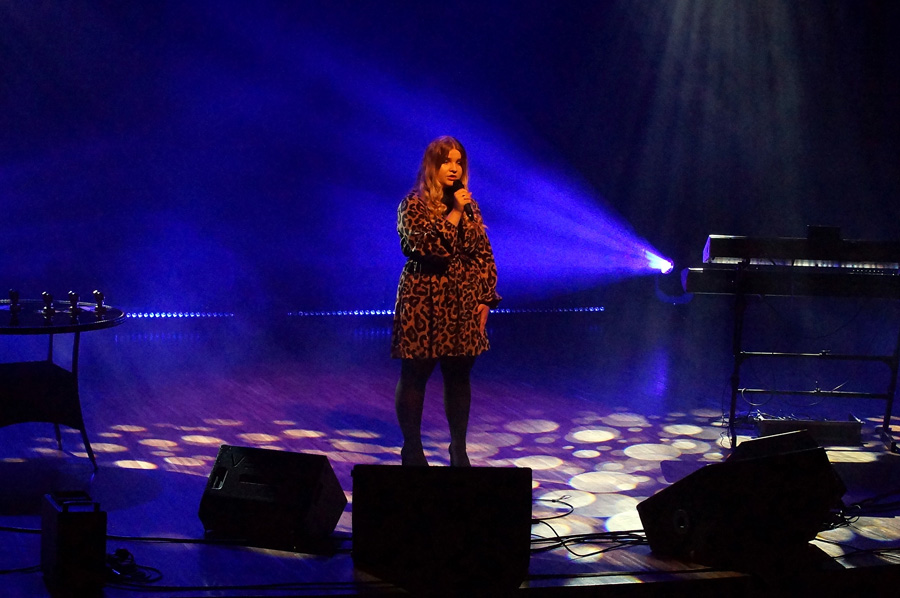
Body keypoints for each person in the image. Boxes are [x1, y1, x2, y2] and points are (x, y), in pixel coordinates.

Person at [390, 136, 501, 467]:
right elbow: (430, 250)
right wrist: (454, 212)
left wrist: (485, 297)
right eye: (446, 162)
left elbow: (483, 253)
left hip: (462, 302)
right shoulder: (412, 205)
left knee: (459, 376)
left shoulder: (470, 206)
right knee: (415, 375)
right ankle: (412, 449)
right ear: (432, 166)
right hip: (423, 299)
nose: (454, 168)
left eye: (458, 162)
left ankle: (459, 449)